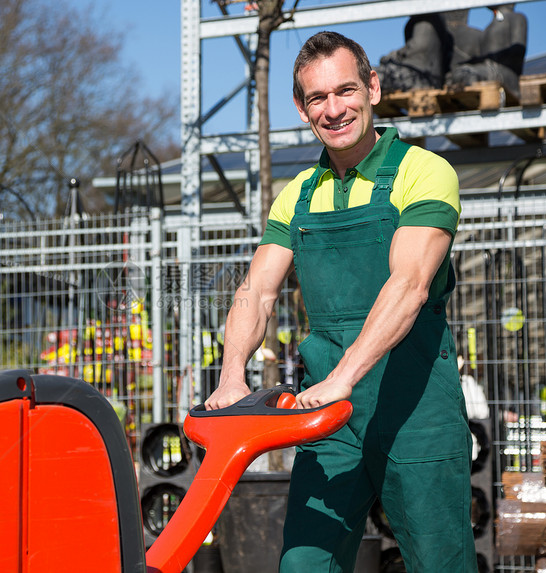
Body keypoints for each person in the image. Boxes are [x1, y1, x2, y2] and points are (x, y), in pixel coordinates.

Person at [204, 31, 477, 572]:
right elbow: (256, 291)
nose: (334, 109)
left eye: (345, 91)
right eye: (317, 98)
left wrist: (344, 376)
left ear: (372, 87)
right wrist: (232, 373)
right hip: (328, 421)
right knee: (304, 564)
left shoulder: (424, 172)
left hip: (416, 411)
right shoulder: (298, 193)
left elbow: (409, 285)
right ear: (302, 108)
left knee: (440, 562)